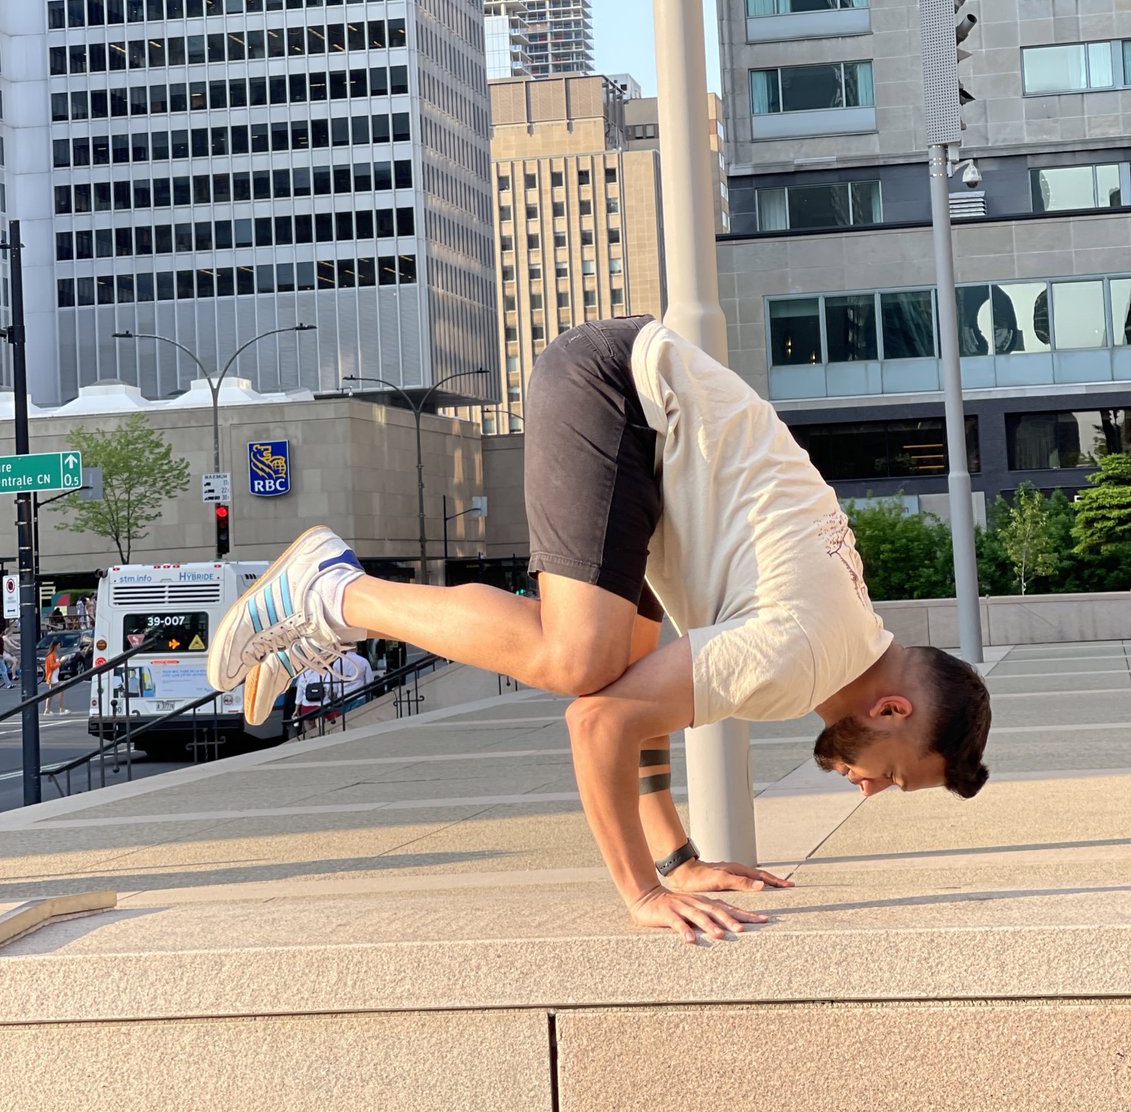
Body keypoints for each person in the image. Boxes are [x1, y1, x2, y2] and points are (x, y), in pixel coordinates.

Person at [209, 315, 992, 943]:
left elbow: (638, 701)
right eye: (889, 775)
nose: (864, 787)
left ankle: (326, 597)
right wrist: (643, 891)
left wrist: (678, 860)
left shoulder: (839, 632)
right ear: (891, 711)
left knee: (614, 660)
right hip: (624, 393)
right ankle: (331, 593)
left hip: (650, 436)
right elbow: (598, 721)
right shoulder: (799, 660)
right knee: (573, 658)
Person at [43, 640, 64, 715]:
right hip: (52, 677)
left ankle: (47, 710)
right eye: (58, 645)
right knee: (61, 690)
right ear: (55, 646)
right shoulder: (51, 655)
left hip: (53, 676)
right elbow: (52, 666)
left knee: (50, 694)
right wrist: (60, 662)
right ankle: (61, 709)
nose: (59, 647)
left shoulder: (54, 654)